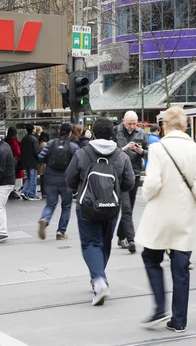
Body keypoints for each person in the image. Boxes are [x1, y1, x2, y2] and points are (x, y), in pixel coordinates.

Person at [137, 107, 196, 332]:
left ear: (165, 126)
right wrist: (190, 201)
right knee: (181, 268)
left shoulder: (158, 148)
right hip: (184, 216)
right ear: (186, 126)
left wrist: (147, 197)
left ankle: (160, 306)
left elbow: (153, 183)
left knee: (151, 258)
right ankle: (179, 321)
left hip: (160, 215)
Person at [65, 118, 135, 306]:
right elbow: (129, 183)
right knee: (104, 243)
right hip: (111, 207)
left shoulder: (82, 153)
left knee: (90, 243)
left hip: (86, 207)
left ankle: (99, 280)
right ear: (112, 133)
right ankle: (99, 277)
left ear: (93, 133)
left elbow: (70, 179)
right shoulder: (121, 156)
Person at [112, 110, 148, 253]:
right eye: (129, 123)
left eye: (134, 123)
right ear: (123, 121)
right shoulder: (116, 131)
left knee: (130, 208)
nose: (132, 126)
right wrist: (124, 149)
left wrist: (140, 152)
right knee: (126, 207)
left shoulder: (141, 133)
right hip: (120, 174)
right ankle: (131, 239)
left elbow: (148, 152)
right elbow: (110, 151)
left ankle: (121, 236)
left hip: (135, 173)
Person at [37, 124, 79, 240]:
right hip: (66, 180)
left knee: (50, 204)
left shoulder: (50, 144)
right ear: (70, 133)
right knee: (66, 206)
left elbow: (40, 157)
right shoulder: (74, 147)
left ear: (60, 131)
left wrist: (49, 161)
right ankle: (61, 232)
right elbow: (79, 163)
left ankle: (45, 219)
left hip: (50, 178)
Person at [20, 124, 40, 200]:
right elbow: (36, 151)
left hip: (25, 161)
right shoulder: (34, 139)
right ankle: (31, 194)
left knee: (28, 178)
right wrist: (39, 159)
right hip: (33, 161)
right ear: (33, 130)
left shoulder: (24, 139)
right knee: (33, 178)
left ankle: (24, 191)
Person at [5, 127, 24, 199]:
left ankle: (10, 191)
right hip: (14, 161)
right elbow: (17, 151)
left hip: (7, 160)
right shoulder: (14, 141)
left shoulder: (6, 140)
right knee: (14, 176)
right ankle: (11, 191)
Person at [37, 132, 50, 198]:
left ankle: (43, 192)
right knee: (44, 179)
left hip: (41, 164)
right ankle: (44, 192)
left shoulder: (40, 143)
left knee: (42, 178)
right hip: (44, 164)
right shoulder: (44, 144)